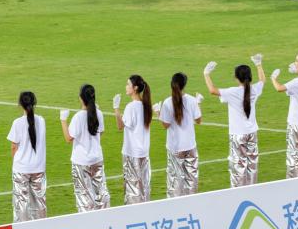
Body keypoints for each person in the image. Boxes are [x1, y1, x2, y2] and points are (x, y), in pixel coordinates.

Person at [204, 56, 264, 187]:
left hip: (238, 134)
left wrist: (206, 74)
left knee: (238, 166)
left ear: (237, 78)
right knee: (252, 165)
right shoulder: (254, 89)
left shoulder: (233, 92)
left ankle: (238, 193)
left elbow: (212, 90)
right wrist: (259, 64)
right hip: (252, 133)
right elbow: (262, 81)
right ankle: (252, 190)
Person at [61, 85, 110, 212]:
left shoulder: (78, 117)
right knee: (101, 193)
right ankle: (105, 218)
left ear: (81, 98)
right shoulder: (98, 113)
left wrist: (63, 120)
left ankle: (87, 221)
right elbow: (101, 132)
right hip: (97, 159)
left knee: (84, 196)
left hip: (81, 161)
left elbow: (68, 138)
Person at [159, 73, 202, 197]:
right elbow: (198, 120)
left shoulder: (167, 103)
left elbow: (165, 125)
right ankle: (191, 204)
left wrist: (158, 112)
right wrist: (198, 103)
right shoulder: (192, 100)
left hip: (175, 148)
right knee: (192, 179)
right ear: (184, 85)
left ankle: (175, 205)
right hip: (190, 146)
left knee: (175, 181)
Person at [113, 75, 154, 204]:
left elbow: (120, 126)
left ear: (135, 88)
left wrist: (116, 109)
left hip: (132, 153)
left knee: (132, 188)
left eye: (128, 84)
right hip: (144, 153)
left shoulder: (131, 107)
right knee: (144, 187)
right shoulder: (146, 106)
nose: (126, 86)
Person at [8, 92, 48, 222]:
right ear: (34, 103)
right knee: (39, 201)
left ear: (20, 104)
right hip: (38, 167)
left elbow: (14, 147)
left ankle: (22, 228)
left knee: (21, 202)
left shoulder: (17, 123)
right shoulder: (41, 121)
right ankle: (41, 225)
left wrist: (15, 162)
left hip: (21, 168)